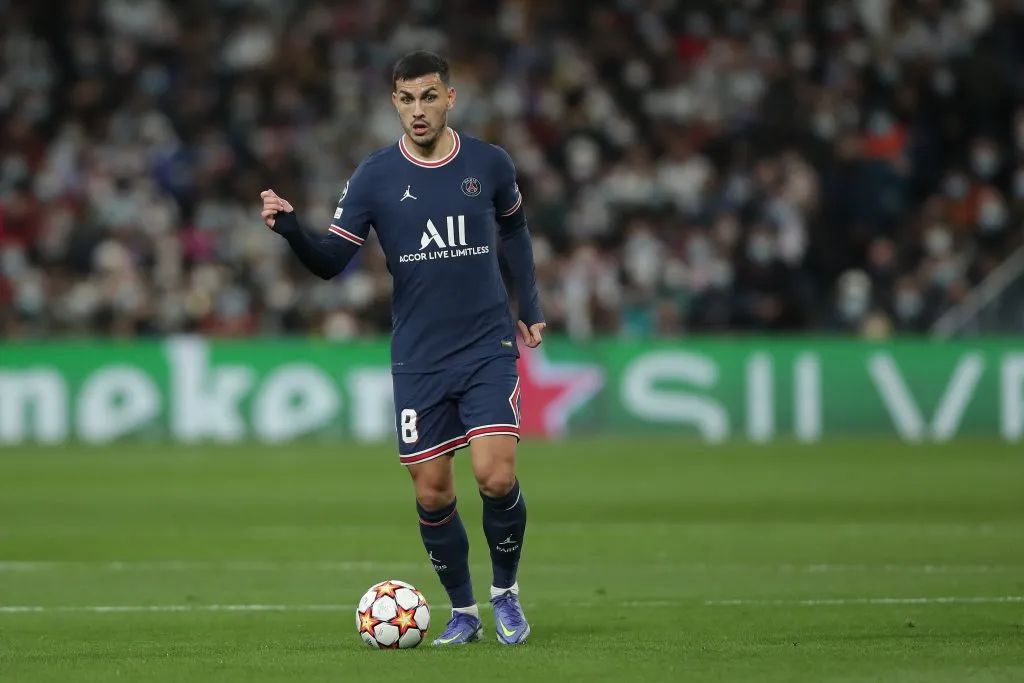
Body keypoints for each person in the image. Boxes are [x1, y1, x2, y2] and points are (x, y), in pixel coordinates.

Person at [260, 51, 544, 646]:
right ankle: (463, 612)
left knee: (495, 475)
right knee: (432, 491)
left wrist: (531, 308)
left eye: (429, 96)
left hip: (487, 344)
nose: (418, 109)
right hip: (418, 355)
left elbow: (514, 230)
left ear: (450, 98)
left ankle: (505, 595)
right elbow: (331, 264)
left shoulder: (490, 163)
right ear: (394, 101)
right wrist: (291, 230)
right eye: (407, 98)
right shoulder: (374, 177)